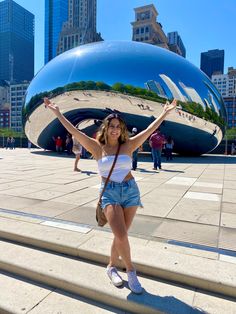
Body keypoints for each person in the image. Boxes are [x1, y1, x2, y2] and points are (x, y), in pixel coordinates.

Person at [43, 96, 177, 294]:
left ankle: (111, 267)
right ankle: (131, 270)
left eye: (118, 126)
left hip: (131, 191)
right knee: (121, 234)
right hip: (110, 193)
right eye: (112, 125)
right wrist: (57, 112)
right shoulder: (97, 147)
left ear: (121, 130)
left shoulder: (128, 145)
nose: (115, 129)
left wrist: (164, 113)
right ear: (106, 128)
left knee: (120, 236)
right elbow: (74, 130)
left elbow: (149, 130)